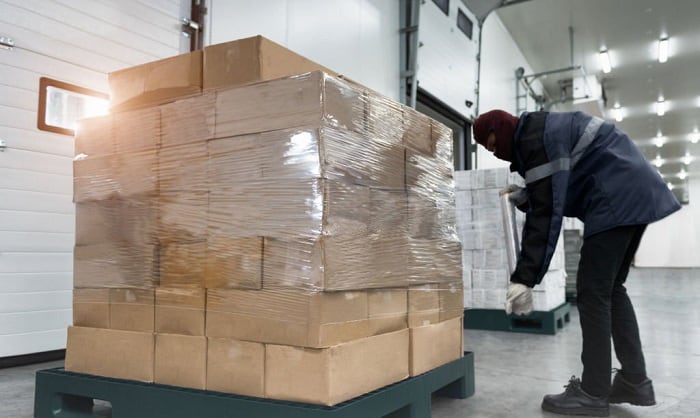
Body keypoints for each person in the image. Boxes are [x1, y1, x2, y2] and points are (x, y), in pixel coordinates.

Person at [472, 109, 680, 417]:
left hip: (616, 198)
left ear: (500, 127)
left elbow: (547, 216)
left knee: (592, 294)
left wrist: (524, 279)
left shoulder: (534, 139)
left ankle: (593, 392)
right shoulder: (540, 132)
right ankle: (635, 381)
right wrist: (528, 197)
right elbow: (565, 187)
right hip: (634, 191)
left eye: (491, 143)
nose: (495, 152)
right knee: (610, 290)